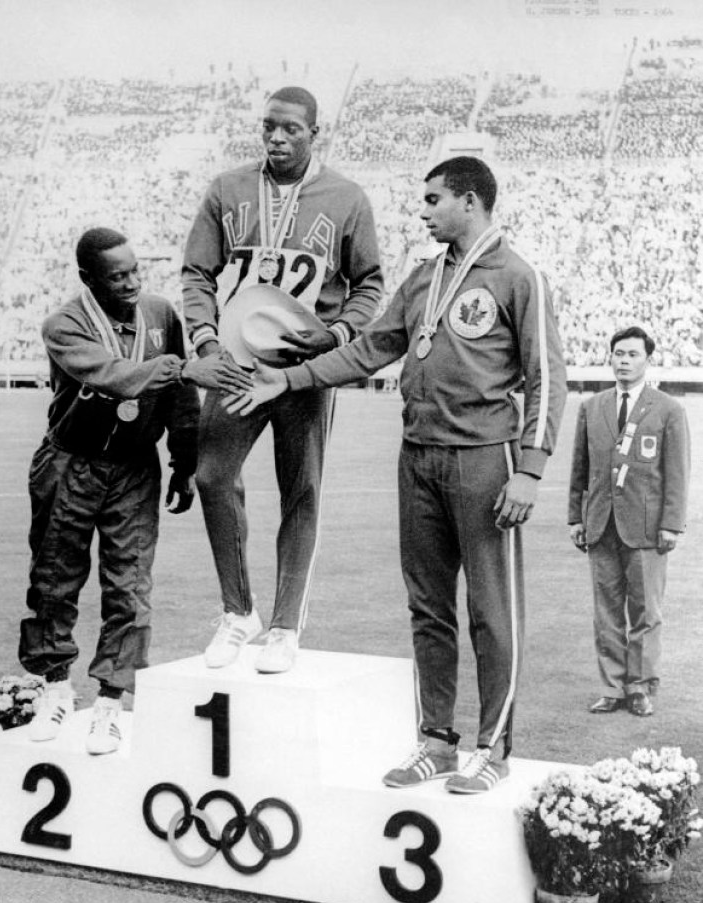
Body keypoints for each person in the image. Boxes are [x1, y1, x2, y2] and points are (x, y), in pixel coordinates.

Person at [223, 156, 567, 793]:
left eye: (434, 199)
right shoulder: (422, 279)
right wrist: (290, 379)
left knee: (492, 612)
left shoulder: (520, 277)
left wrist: (531, 472)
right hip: (417, 456)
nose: (424, 209)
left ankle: (493, 749)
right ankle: (436, 740)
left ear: (470, 201)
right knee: (427, 608)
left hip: (485, 459)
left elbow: (548, 379)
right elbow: (369, 349)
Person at [181, 85, 383, 674]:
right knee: (212, 476)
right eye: (269, 126)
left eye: (290, 128)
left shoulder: (346, 197)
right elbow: (197, 272)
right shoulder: (228, 188)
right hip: (238, 362)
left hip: (304, 368)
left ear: (313, 133)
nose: (276, 136)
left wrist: (338, 333)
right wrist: (207, 340)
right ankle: (237, 611)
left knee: (301, 490)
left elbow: (369, 282)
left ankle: (285, 626)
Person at [21, 227, 238, 755]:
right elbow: (116, 375)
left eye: (136, 270)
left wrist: (184, 462)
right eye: (117, 276)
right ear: (88, 279)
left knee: (130, 587)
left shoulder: (162, 315)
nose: (132, 282)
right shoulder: (64, 325)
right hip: (71, 462)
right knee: (54, 582)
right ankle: (53, 688)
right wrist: (182, 367)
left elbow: (182, 400)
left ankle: (110, 705)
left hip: (135, 469)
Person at [568, 326, 690, 717]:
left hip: (647, 530)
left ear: (647, 360)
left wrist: (671, 524)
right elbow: (579, 471)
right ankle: (611, 686)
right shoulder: (592, 407)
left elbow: (677, 473)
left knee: (646, 613)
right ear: (610, 358)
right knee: (605, 612)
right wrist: (575, 517)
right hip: (601, 525)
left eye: (632, 354)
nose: (624, 360)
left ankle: (640, 687)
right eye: (618, 353)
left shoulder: (668, 409)